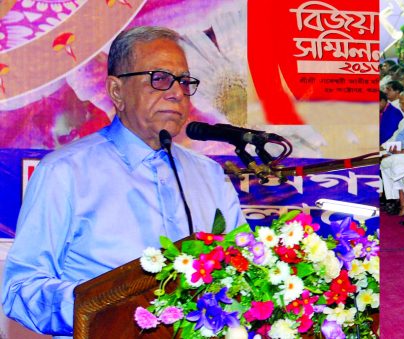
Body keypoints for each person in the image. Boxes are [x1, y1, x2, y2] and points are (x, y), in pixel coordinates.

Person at [1, 26, 246, 336]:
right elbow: (21, 289)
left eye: (184, 82)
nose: (176, 92)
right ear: (116, 91)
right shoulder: (66, 172)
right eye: (159, 79)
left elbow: (240, 271)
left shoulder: (210, 176)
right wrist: (103, 308)